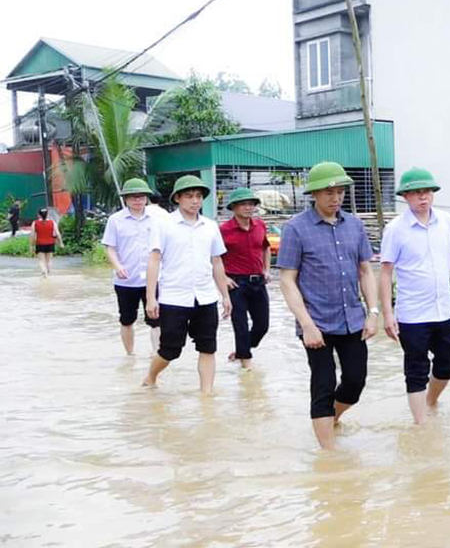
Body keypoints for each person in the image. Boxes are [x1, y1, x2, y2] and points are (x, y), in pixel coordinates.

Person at [277, 161, 378, 449]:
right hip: (316, 322)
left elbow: (365, 271)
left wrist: (373, 313)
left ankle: (331, 419)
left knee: (355, 382)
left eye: (340, 192)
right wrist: (307, 325)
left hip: (352, 319)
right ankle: (329, 455)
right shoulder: (295, 229)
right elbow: (287, 280)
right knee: (322, 383)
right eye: (329, 192)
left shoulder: (355, 225)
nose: (335, 198)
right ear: (315, 195)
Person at [378, 167, 450, 424]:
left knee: (449, 364)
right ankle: (420, 425)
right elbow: (386, 271)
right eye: (416, 193)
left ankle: (431, 401)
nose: (423, 197)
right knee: (416, 369)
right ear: (406, 197)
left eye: (427, 192)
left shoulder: (445, 221)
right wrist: (387, 314)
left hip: (442, 309)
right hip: (412, 313)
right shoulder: (395, 229)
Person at [143, 175, 232, 393]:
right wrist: (151, 298)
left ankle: (206, 394)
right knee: (170, 350)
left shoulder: (210, 226)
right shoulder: (164, 225)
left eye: (199, 196)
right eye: (189, 196)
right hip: (174, 297)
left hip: (205, 296)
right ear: (178, 198)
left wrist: (225, 295)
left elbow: (217, 261)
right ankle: (151, 376)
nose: (195, 201)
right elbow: (154, 260)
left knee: (208, 347)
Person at [101, 178, 163, 356]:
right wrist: (118, 266)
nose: (138, 200)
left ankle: (156, 353)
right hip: (126, 281)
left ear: (147, 198)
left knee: (156, 319)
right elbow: (110, 247)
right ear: (126, 199)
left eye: (141, 197)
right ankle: (130, 355)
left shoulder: (156, 219)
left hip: (152, 280)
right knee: (127, 320)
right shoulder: (115, 220)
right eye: (133, 197)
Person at [220, 188, 271, 370]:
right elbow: (212, 257)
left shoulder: (260, 225)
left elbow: (265, 247)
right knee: (240, 324)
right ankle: (247, 369)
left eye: (251, 204)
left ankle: (243, 350)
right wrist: (223, 278)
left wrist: (266, 269)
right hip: (235, 283)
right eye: (243, 204)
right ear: (233, 207)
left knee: (262, 325)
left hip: (258, 281)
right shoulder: (223, 230)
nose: (248, 208)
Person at [30, 208, 62, 278]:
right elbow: (57, 233)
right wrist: (61, 243)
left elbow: (32, 235)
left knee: (41, 261)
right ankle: (49, 273)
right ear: (47, 214)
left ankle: (44, 272)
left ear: (39, 215)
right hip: (50, 243)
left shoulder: (35, 223)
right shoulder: (52, 222)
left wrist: (31, 246)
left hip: (40, 244)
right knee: (49, 260)